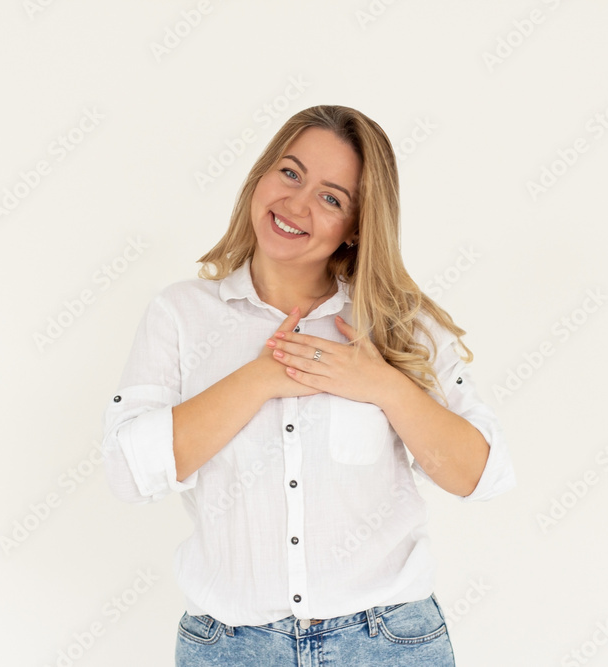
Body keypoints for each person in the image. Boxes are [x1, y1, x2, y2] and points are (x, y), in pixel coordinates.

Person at [101, 104, 516, 666]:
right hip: (230, 649)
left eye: (331, 198)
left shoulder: (398, 325)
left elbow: (482, 475)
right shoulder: (180, 314)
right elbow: (128, 472)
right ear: (261, 176)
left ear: (357, 226)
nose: (296, 205)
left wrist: (384, 386)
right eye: (290, 173)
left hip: (387, 643)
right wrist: (259, 379)